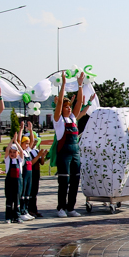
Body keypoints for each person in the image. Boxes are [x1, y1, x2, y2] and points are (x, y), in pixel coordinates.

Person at [53, 71, 89, 217]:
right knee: (64, 181)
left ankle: (70, 208)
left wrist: (80, 84)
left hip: (75, 154)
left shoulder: (73, 119)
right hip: (64, 154)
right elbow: (60, 102)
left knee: (75, 181)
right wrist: (64, 85)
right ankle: (61, 208)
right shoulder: (59, 121)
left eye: (69, 107)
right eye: (66, 107)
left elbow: (80, 102)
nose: (69, 108)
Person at [3, 143, 24, 223]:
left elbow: (21, 151)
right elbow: (7, 150)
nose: (12, 154)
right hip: (9, 182)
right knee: (9, 199)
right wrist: (12, 141)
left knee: (17, 199)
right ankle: (8, 217)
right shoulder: (8, 161)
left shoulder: (20, 160)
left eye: (14, 152)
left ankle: (17, 216)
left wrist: (16, 142)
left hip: (18, 182)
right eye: (11, 152)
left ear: (17, 153)